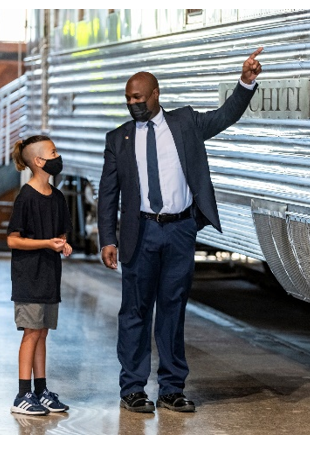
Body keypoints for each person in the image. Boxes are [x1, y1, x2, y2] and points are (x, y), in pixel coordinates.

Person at [98, 47, 263, 413]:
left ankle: (172, 388)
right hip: (139, 233)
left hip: (178, 231)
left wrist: (245, 83)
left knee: (173, 310)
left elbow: (224, 116)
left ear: (156, 95)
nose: (132, 103)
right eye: (128, 99)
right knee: (135, 312)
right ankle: (133, 388)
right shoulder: (119, 138)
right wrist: (107, 238)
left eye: (138, 97)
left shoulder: (185, 123)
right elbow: (108, 193)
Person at [6, 135, 73, 416]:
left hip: (49, 275)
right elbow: (13, 240)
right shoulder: (25, 198)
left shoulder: (57, 198)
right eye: (53, 152)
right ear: (38, 161)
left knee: (42, 333)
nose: (58, 156)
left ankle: (41, 390)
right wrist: (46, 244)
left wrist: (62, 242)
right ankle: (23, 394)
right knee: (31, 333)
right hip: (28, 277)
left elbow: (60, 232)